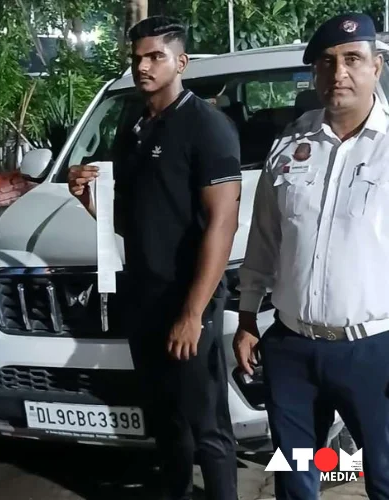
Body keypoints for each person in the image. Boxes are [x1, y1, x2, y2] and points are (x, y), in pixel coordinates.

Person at [68, 16, 242, 500]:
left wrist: (191, 314)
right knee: (165, 419)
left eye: (154, 57)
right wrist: (88, 200)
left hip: (188, 299)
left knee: (206, 425)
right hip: (144, 297)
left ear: (180, 62)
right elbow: (132, 221)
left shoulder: (207, 127)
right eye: (136, 58)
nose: (142, 67)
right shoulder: (135, 126)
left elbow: (221, 227)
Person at [234, 12, 389, 500]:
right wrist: (246, 316)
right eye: (326, 63)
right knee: (298, 478)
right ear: (314, 74)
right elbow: (264, 237)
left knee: (382, 476)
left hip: (373, 352)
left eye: (352, 59)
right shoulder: (290, 146)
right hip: (293, 351)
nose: (338, 73)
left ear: (376, 67)